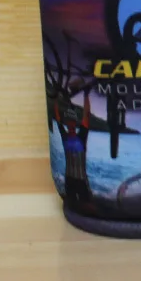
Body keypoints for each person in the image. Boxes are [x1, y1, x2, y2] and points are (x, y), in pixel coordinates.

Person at [53, 80, 93, 208]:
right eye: (68, 122)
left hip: (80, 179)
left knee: (87, 205)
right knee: (71, 203)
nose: (70, 125)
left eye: (72, 123)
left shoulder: (81, 136)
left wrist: (86, 96)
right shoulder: (65, 136)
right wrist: (55, 99)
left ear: (75, 124)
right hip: (70, 178)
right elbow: (57, 118)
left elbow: (86, 115)